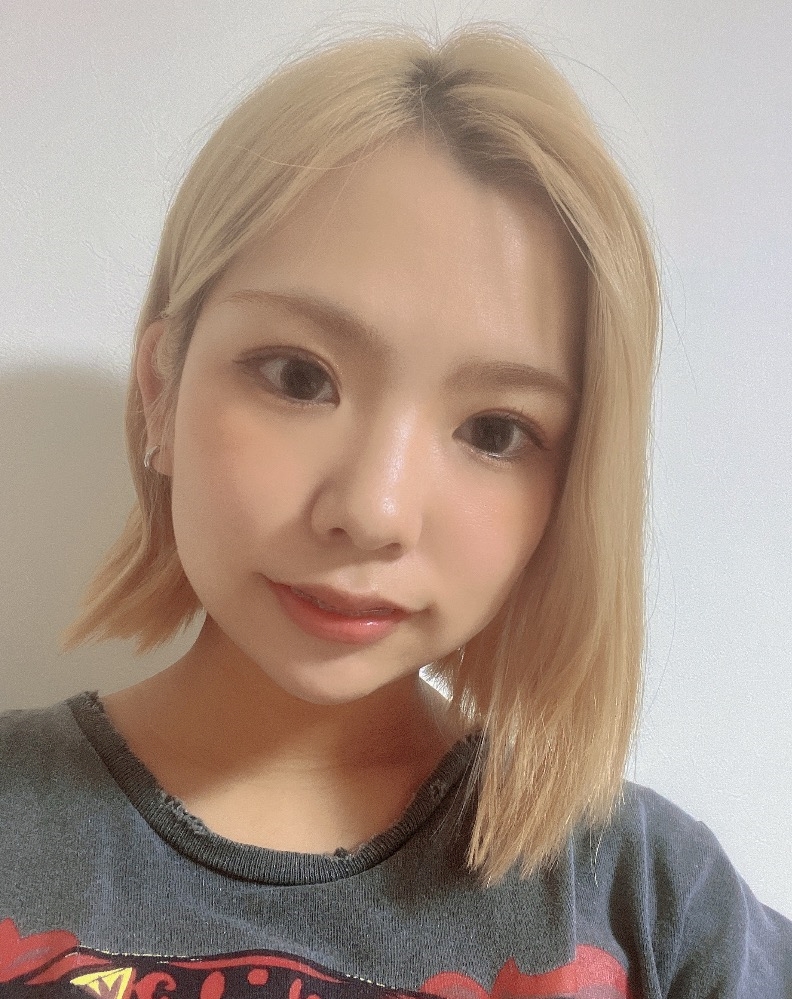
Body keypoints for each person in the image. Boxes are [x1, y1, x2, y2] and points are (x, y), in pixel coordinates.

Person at [1, 22, 790, 999]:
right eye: (298, 376)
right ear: (160, 387)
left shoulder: (652, 902)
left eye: (495, 431)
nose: (374, 511)